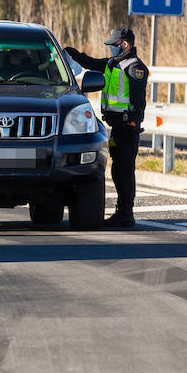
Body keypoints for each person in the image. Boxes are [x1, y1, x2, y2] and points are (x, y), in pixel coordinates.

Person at [64, 27, 149, 227]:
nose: (111, 48)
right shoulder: (112, 63)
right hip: (117, 125)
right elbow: (91, 63)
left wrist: (134, 122)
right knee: (119, 170)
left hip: (127, 127)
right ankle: (123, 212)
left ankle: (125, 213)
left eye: (114, 45)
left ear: (125, 44)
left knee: (124, 171)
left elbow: (139, 100)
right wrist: (72, 53)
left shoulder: (134, 67)